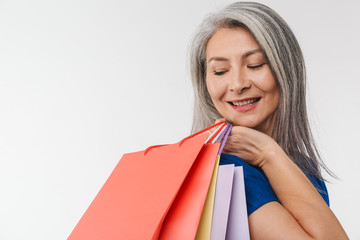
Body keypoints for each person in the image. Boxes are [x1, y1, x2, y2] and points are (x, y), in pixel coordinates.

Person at [189, 2, 348, 239]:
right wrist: (267, 153)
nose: (237, 84)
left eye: (255, 65)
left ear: (286, 69)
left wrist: (270, 154)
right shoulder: (226, 173)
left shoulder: (301, 166)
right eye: (220, 71)